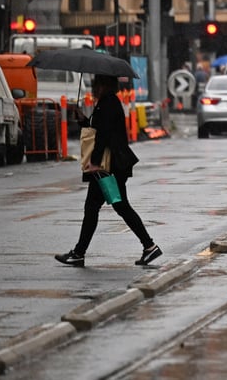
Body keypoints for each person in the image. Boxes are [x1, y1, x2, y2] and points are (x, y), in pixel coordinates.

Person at [55, 75, 161, 267]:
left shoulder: (109, 103)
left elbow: (103, 136)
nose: (93, 89)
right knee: (111, 206)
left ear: (104, 85)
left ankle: (80, 253)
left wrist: (95, 162)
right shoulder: (107, 103)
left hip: (110, 165)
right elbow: (98, 129)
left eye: (95, 85)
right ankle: (148, 246)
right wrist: (83, 120)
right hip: (112, 165)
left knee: (103, 207)